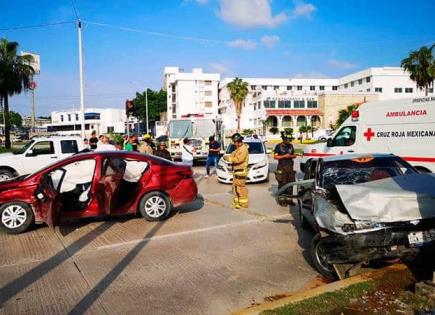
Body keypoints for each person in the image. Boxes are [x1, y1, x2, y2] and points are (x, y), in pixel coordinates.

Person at [223, 133, 249, 209]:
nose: (234, 144)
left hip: (241, 171)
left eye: (235, 142)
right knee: (235, 187)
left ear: (238, 141)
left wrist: (228, 158)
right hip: (237, 171)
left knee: (241, 188)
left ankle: (243, 204)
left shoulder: (243, 149)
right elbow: (232, 154)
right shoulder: (238, 149)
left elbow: (238, 159)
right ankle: (237, 202)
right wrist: (227, 156)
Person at [274, 131, 297, 206]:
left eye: (290, 140)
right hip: (282, 167)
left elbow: (294, 155)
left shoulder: (291, 146)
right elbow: (275, 157)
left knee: (290, 184)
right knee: (282, 184)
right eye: (288, 140)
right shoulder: (278, 146)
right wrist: (284, 156)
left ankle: (289, 200)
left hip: (290, 167)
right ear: (284, 139)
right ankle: (282, 200)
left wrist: (292, 156)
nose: (289, 141)